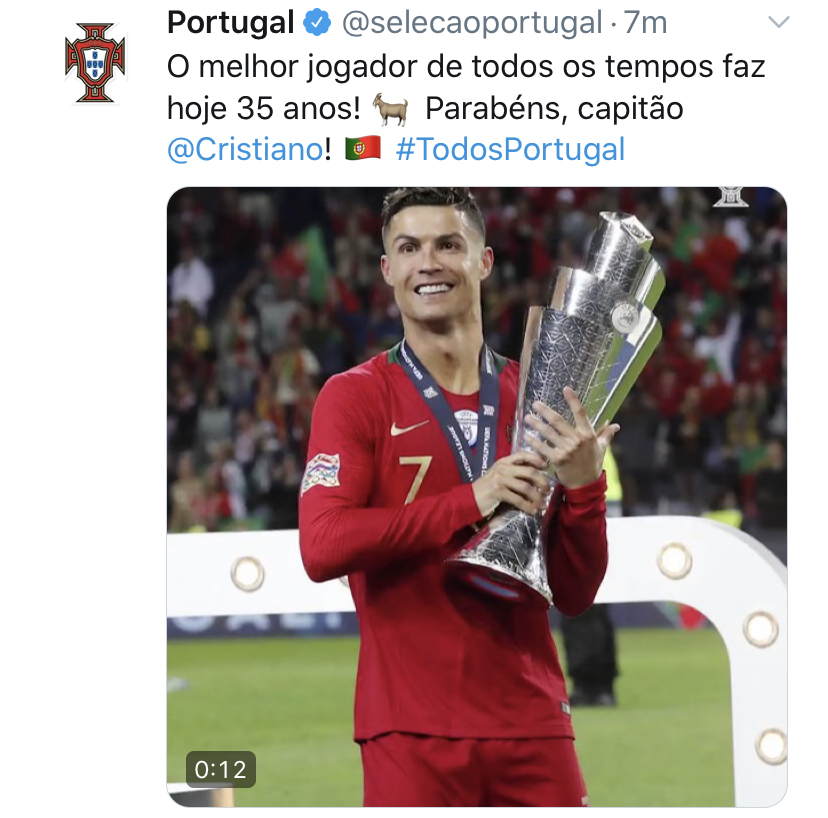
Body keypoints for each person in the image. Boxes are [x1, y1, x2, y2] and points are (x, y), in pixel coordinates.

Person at [298, 188, 616, 807]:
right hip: (410, 729)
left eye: (448, 244)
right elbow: (323, 545)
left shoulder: (536, 395)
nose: (429, 263)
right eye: (408, 248)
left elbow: (575, 593)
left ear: (484, 260)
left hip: (534, 722)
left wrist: (585, 488)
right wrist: (473, 498)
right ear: (387, 268)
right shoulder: (355, 396)